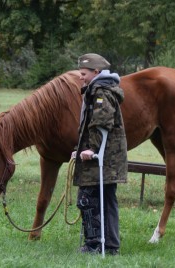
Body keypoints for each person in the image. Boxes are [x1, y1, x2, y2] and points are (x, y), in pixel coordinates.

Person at [72, 53, 127, 255]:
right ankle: (107, 244)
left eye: (84, 73)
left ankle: (96, 243)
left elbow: (101, 124)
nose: (80, 77)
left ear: (96, 72)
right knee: (104, 199)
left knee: (90, 199)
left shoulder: (100, 92)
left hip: (103, 157)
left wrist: (92, 150)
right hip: (106, 156)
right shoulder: (97, 89)